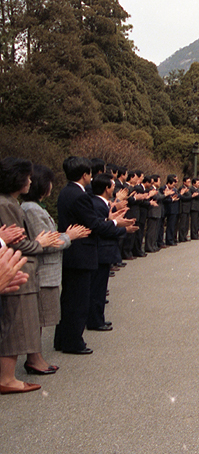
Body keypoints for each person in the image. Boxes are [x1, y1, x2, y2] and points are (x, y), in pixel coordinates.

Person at [54, 156, 134, 355]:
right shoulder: (80, 196)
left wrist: (109, 219)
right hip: (81, 251)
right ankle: (73, 341)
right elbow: (94, 224)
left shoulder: (66, 192)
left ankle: (62, 338)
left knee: (69, 298)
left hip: (72, 251)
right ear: (84, 175)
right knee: (78, 300)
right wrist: (115, 223)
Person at [0, 158, 63, 393]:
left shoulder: (12, 203)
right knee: (16, 325)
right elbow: (19, 243)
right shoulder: (7, 204)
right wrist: (39, 242)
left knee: (20, 323)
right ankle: (7, 378)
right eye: (26, 176)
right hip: (17, 270)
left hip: (18, 269)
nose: (29, 181)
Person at [20, 165, 90, 373]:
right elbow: (45, 242)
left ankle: (36, 356)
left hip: (46, 270)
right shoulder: (32, 209)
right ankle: (34, 358)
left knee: (41, 317)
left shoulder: (33, 207)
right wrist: (70, 236)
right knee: (38, 318)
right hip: (43, 271)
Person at [87, 173, 120, 332]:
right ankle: (95, 320)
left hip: (102, 251)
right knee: (97, 288)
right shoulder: (98, 205)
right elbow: (102, 229)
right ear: (106, 188)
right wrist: (120, 227)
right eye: (112, 186)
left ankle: (98, 318)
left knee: (100, 287)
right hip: (101, 250)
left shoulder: (102, 204)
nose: (114, 188)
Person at [176, 177, 192, 242]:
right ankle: (181, 237)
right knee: (182, 224)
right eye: (188, 182)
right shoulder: (181, 188)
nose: (189, 183)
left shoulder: (188, 189)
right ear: (184, 182)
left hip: (188, 208)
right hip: (183, 208)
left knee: (186, 224)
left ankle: (185, 236)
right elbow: (181, 197)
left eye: (189, 181)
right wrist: (189, 197)